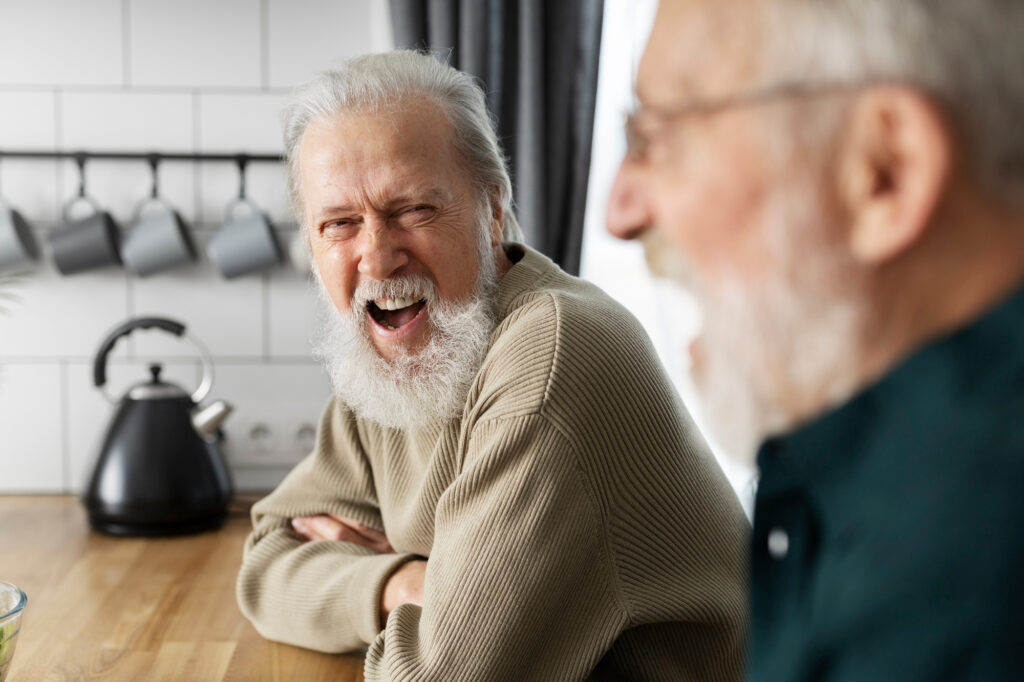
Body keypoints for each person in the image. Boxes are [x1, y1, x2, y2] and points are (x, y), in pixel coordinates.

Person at [236, 50, 749, 681]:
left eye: (413, 210)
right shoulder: (390, 356)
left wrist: (419, 599)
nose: (376, 258)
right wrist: (402, 582)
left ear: (491, 207)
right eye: (339, 224)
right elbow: (266, 563)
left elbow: (439, 675)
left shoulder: (553, 356)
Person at [607, 0, 1024, 680]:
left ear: (886, 171)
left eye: (657, 137)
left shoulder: (959, 584)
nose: (617, 211)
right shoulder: (878, 481)